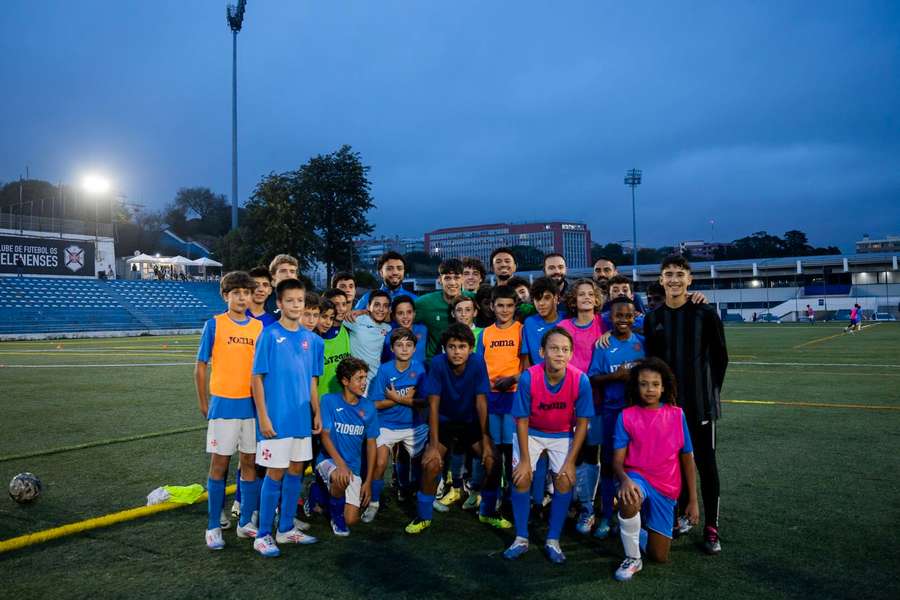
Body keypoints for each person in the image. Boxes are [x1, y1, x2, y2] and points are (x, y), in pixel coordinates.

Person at [643, 255, 727, 554]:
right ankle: (681, 517)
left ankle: (712, 527)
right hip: (668, 410)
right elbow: (651, 364)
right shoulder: (653, 319)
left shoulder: (705, 313)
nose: (675, 279)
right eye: (669, 274)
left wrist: (708, 393)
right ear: (661, 279)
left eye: (680, 274)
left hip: (701, 406)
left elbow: (720, 359)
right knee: (673, 464)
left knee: (706, 465)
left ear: (690, 279)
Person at [405, 323, 507, 533]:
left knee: (493, 459)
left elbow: (481, 402)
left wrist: (487, 440)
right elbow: (433, 403)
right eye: (452, 346)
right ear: (444, 348)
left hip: (469, 421)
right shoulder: (438, 363)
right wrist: (433, 446)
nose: (457, 351)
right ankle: (423, 516)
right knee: (431, 464)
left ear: (470, 348)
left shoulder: (478, 362)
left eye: (462, 346)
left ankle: (488, 512)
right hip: (444, 421)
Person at [503, 327, 593, 563]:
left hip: (562, 434)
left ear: (571, 354)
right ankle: (521, 538)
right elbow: (521, 419)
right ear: (542, 351)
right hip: (530, 432)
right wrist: (524, 460)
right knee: (521, 477)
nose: (559, 354)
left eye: (565, 349)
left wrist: (571, 462)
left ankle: (553, 540)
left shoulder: (580, 380)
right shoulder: (528, 377)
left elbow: (582, 423)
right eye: (554, 348)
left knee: (564, 479)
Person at [250, 278, 321, 557]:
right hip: (276, 419)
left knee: (296, 470)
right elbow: (257, 379)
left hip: (301, 419)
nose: (295, 305)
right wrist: (264, 418)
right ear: (278, 303)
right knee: (275, 472)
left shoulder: (312, 340)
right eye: (289, 300)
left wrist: (316, 412)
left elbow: (312, 381)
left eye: (299, 301)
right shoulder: (269, 335)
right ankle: (264, 534)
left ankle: (286, 528)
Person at [612, 358, 699, 581]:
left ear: (664, 387)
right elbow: (617, 462)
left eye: (655, 384)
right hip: (637, 477)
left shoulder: (677, 415)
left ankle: (636, 530)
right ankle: (632, 558)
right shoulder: (626, 416)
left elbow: (687, 458)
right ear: (636, 386)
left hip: (667, 487)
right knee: (629, 498)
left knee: (659, 556)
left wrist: (693, 500)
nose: (649, 389)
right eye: (643, 384)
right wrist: (625, 480)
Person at [195, 271, 264, 549]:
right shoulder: (214, 324)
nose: (242, 297)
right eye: (236, 293)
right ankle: (213, 525)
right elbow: (200, 366)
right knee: (220, 464)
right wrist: (204, 402)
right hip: (223, 405)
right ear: (225, 296)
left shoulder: (258, 328)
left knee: (249, 463)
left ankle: (245, 522)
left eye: (246, 293)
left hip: (251, 407)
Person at [587, 297, 645, 539]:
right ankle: (606, 515)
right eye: (618, 315)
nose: (623, 320)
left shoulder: (642, 343)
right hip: (612, 413)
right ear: (610, 317)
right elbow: (593, 378)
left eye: (628, 316)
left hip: (638, 413)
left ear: (635, 317)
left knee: (637, 463)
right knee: (611, 464)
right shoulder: (602, 345)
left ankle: (636, 514)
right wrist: (617, 377)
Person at [361, 328, 427, 523]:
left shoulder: (420, 369)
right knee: (380, 462)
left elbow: (424, 402)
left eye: (409, 345)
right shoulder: (384, 370)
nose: (404, 349)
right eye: (399, 345)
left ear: (415, 348)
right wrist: (398, 399)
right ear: (392, 348)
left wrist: (395, 396)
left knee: (428, 463)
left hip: (413, 425)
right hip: (386, 424)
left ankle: (426, 498)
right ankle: (374, 503)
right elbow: (374, 404)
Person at [558, 278, 606, 534]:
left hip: (597, 401)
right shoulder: (564, 326)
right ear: (573, 299)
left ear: (597, 299)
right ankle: (570, 502)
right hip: (568, 401)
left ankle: (588, 508)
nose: (586, 298)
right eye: (581, 294)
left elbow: (634, 322)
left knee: (590, 453)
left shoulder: (604, 323)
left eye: (591, 294)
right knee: (568, 454)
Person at [476, 285, 529, 516]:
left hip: (513, 397)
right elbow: (478, 366)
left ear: (515, 307)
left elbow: (528, 367)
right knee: (493, 448)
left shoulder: (521, 330)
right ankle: (492, 494)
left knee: (511, 449)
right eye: (500, 305)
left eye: (509, 306)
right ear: (492, 306)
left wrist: (513, 379)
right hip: (490, 398)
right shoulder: (486, 333)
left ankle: (511, 492)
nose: (505, 310)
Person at [316, 357, 380, 536]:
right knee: (340, 477)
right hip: (329, 461)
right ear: (345, 381)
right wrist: (341, 464)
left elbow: (371, 445)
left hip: (354, 468)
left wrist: (367, 482)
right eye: (359, 378)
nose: (364, 383)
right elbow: (325, 436)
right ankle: (337, 521)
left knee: (352, 519)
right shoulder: (328, 400)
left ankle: (318, 495)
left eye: (365, 378)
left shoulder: (369, 408)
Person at [415, 258, 472, 361]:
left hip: (465, 364)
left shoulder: (472, 300)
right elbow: (400, 314)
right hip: (434, 364)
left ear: (463, 279)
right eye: (447, 278)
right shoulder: (425, 303)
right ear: (440, 280)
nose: (452, 282)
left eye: (456, 277)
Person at [344, 290, 392, 388]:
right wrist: (360, 312)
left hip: (377, 381)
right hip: (357, 381)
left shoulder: (388, 328)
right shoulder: (356, 320)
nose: (381, 309)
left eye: (385, 306)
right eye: (377, 305)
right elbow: (336, 317)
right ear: (368, 306)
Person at [317, 292, 352, 397]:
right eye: (336, 304)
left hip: (341, 399)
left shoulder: (347, 330)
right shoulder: (313, 337)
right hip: (319, 400)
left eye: (344, 304)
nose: (341, 308)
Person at [383, 296, 428, 365]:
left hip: (422, 374)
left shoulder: (424, 330)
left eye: (409, 312)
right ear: (394, 316)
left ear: (414, 313)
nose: (405, 316)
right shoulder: (388, 337)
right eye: (400, 313)